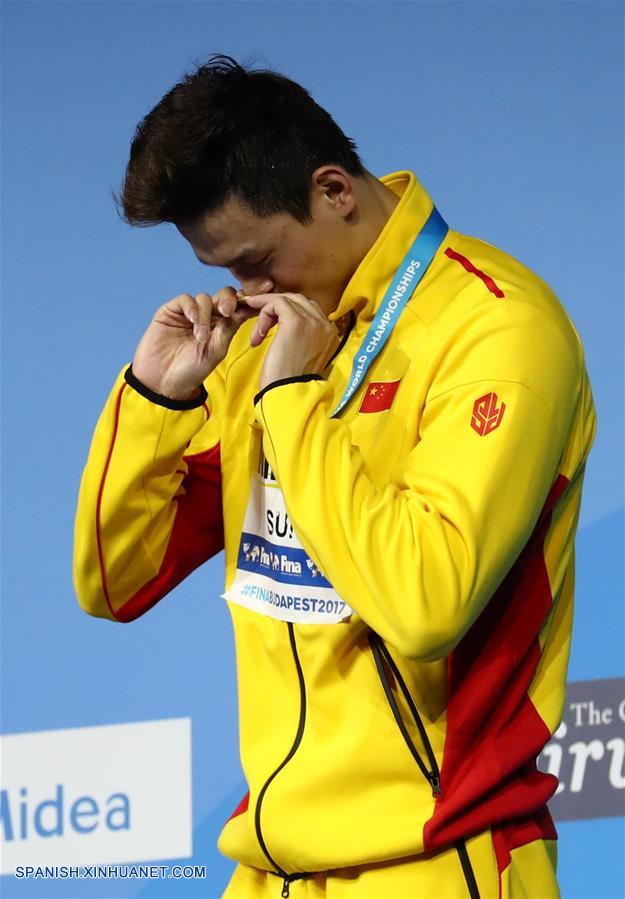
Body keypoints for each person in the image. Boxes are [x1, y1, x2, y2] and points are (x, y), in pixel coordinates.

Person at [73, 54, 597, 899]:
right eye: (224, 272)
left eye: (255, 259)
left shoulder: (497, 330)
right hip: (270, 866)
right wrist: (155, 400)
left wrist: (292, 401)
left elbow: (424, 603)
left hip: (438, 859)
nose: (245, 291)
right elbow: (113, 582)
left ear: (332, 190)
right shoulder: (263, 342)